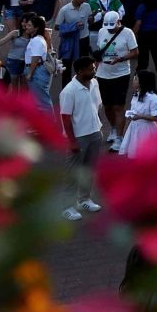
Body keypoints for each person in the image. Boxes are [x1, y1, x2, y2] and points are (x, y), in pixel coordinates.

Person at [58, 57, 106, 221]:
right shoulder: (69, 91)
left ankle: (84, 199)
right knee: (73, 172)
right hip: (78, 137)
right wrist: (72, 141)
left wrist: (98, 127)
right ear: (79, 71)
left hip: (94, 133)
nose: (93, 71)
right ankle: (67, 206)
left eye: (93, 68)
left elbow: (97, 105)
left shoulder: (94, 84)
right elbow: (65, 117)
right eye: (90, 69)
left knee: (89, 169)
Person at [90, 10, 137, 145]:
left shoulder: (128, 33)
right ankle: (113, 128)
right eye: (108, 27)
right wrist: (95, 69)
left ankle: (119, 137)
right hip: (103, 74)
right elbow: (99, 53)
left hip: (121, 74)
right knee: (107, 106)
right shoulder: (101, 31)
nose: (109, 30)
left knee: (118, 106)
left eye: (112, 27)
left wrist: (120, 58)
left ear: (118, 22)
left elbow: (135, 52)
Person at [117, 70, 157, 157]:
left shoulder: (153, 98)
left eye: (136, 79)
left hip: (146, 130)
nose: (133, 81)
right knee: (136, 152)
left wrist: (140, 116)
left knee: (147, 154)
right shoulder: (136, 95)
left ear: (142, 82)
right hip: (135, 127)